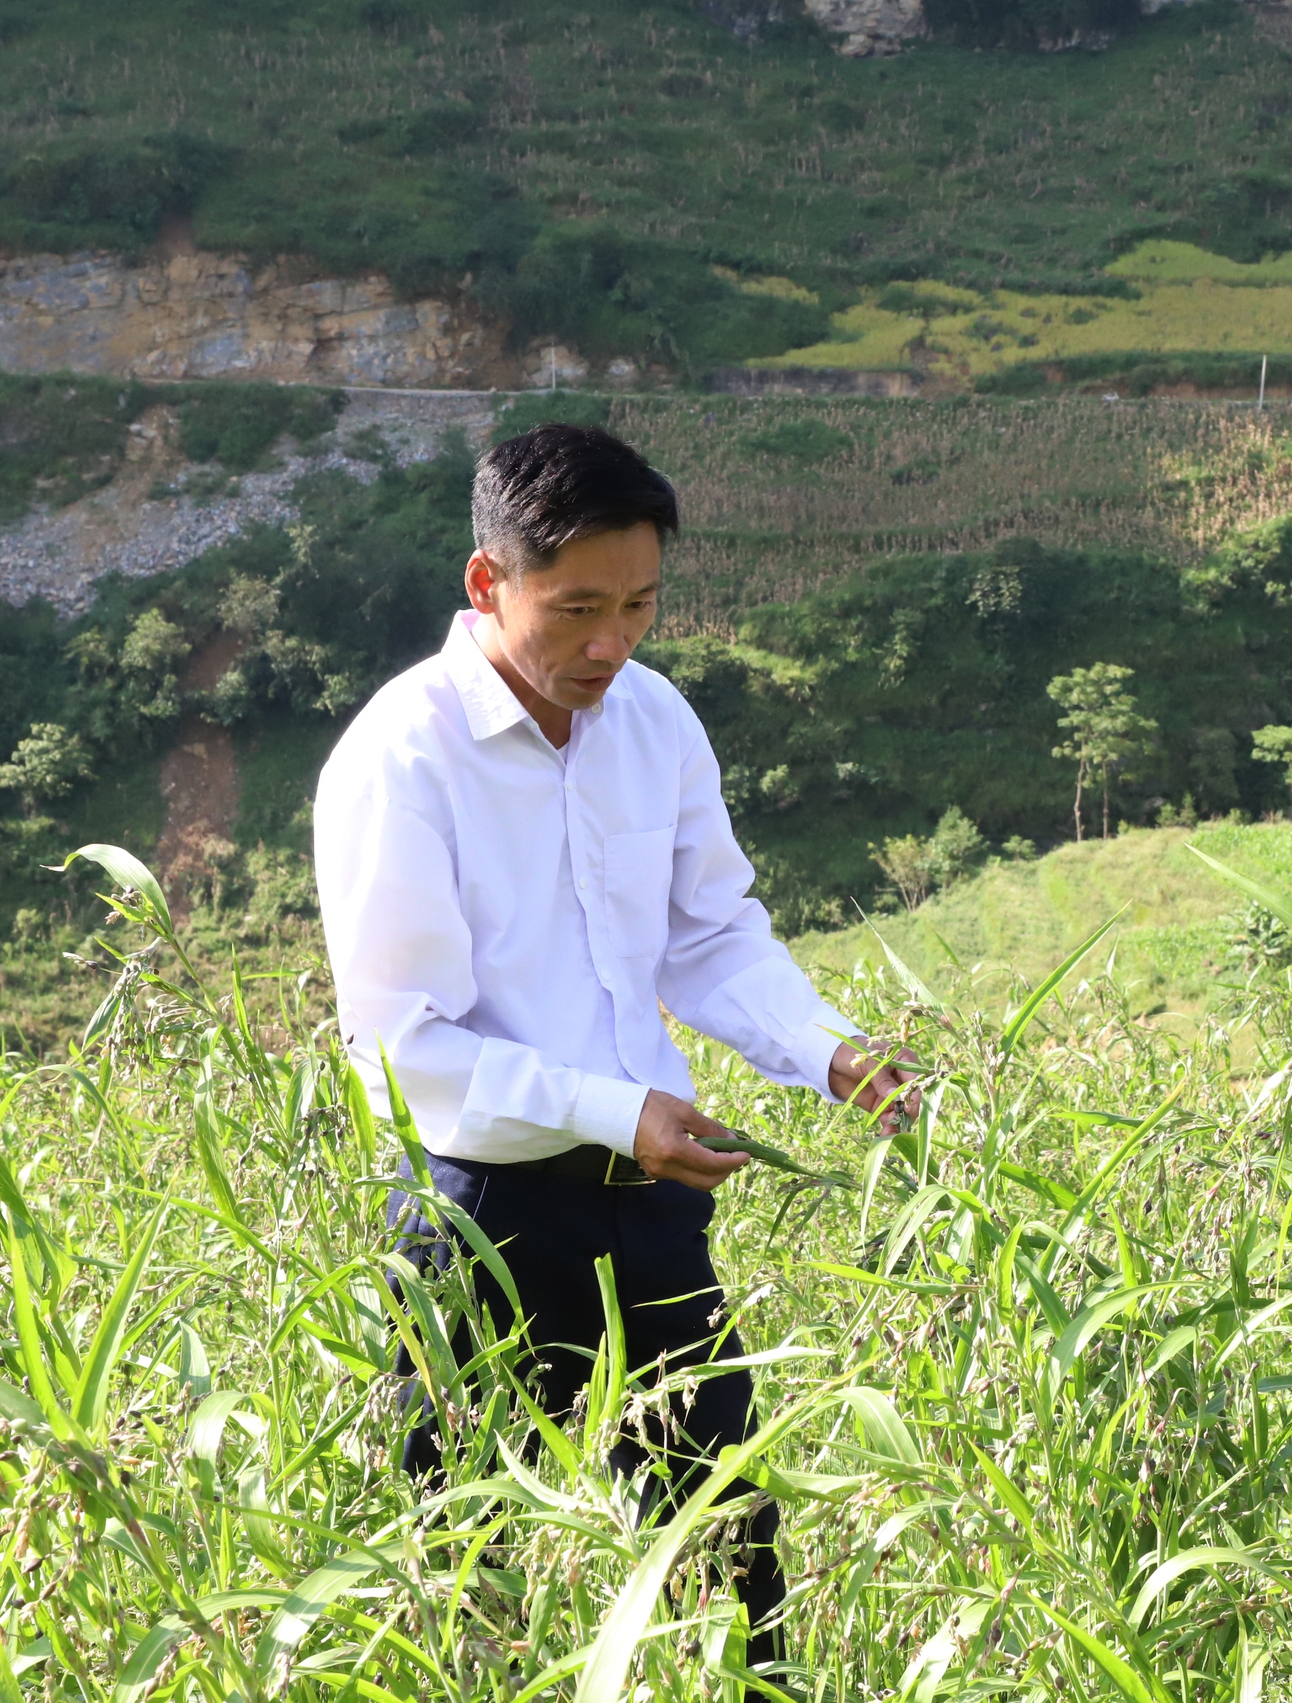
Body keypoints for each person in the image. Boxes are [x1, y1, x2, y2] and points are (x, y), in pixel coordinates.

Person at [314, 422, 915, 1676]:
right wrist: (614, 1108)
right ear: (488, 581)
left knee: (726, 1554)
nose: (611, 642)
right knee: (467, 1572)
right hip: (479, 1218)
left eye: (639, 604)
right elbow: (405, 1048)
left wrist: (824, 1050)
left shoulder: (651, 718)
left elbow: (707, 933)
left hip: (650, 1208)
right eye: (576, 607)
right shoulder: (400, 757)